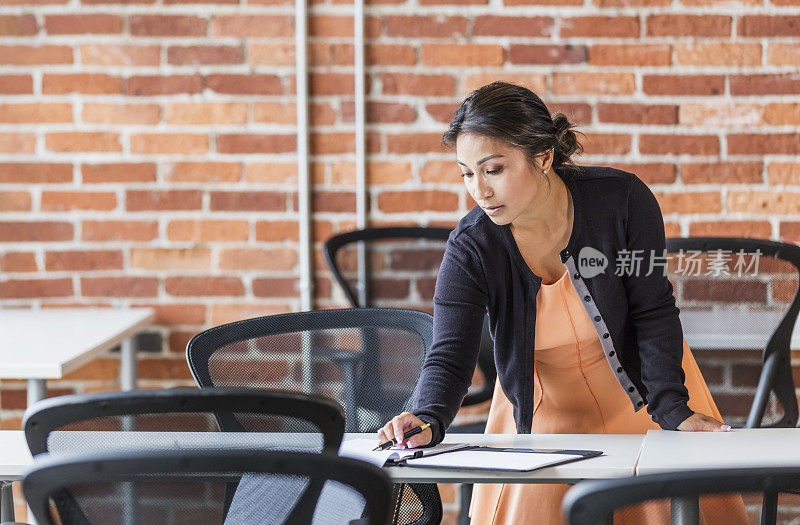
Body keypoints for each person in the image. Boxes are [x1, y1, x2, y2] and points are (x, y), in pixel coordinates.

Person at [377, 81, 748, 524]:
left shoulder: (623, 200)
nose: (480, 190)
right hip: (545, 407)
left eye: (493, 169)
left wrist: (673, 409)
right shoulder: (471, 247)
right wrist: (426, 416)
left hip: (649, 390)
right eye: (466, 173)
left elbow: (652, 308)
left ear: (543, 156)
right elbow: (450, 353)